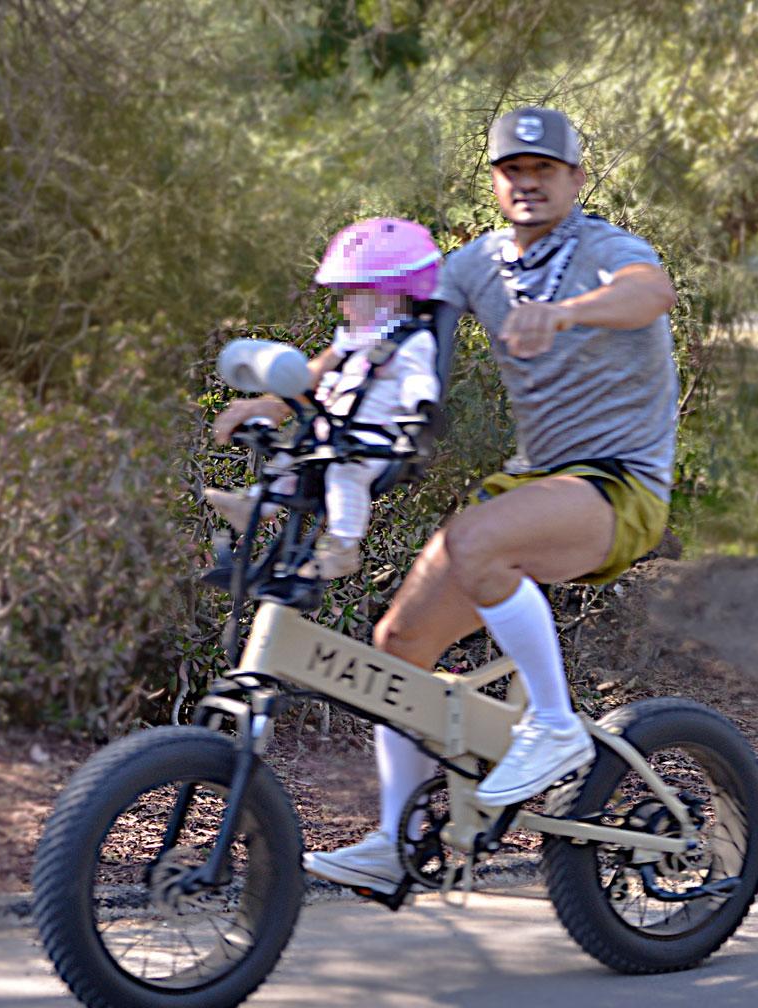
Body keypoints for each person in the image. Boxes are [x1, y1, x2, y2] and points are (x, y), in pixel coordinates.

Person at [215, 107, 679, 895]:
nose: (527, 181)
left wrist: (565, 311)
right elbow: (379, 331)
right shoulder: (475, 265)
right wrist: (289, 399)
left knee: (476, 538)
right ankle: (400, 837)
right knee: (397, 644)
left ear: (575, 179)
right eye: (512, 170)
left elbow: (649, 291)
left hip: (620, 482)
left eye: (544, 169)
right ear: (496, 183)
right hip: (536, 482)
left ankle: (557, 728)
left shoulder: (606, 250)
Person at [205, 218, 442, 579]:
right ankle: (255, 504)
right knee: (293, 456)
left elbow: (419, 380)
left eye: (352, 294)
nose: (344, 305)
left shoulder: (413, 342)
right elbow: (319, 369)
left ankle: (343, 546)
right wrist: (275, 399)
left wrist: (420, 411)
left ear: (388, 295)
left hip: (370, 440)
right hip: (334, 430)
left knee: (345, 474)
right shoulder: (355, 339)